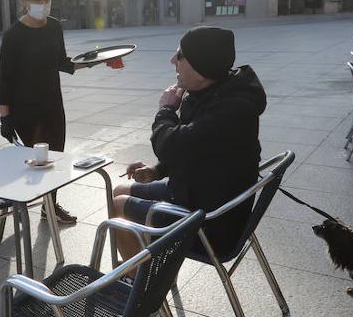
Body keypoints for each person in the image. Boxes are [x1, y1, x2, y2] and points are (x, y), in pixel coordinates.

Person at [110, 26, 266, 261]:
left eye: (180, 55)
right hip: (200, 194)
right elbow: (195, 148)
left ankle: (140, 289)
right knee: (119, 190)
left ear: (202, 70)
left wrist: (166, 110)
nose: (173, 60)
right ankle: (153, 273)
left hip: (209, 226)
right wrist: (158, 170)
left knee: (118, 205)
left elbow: (173, 145)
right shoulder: (218, 92)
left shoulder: (231, 110)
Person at [0, 0, 105, 223]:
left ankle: (49, 207)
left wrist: (95, 61)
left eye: (46, 0)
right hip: (25, 111)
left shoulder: (54, 27)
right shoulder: (13, 36)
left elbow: (63, 63)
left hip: (53, 105)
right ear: (24, 1)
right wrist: (5, 118)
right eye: (36, 0)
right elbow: (4, 81)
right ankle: (44, 205)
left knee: (55, 158)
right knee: (42, 161)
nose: (42, 5)